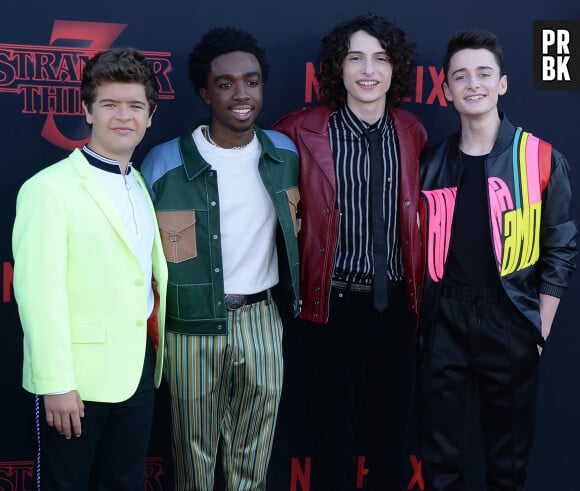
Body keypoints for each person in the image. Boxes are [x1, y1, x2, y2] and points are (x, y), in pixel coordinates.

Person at [140, 27, 300, 491]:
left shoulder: (285, 154)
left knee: (255, 449)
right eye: (226, 83)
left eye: (251, 81)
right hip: (189, 326)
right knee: (193, 451)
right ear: (205, 92)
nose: (241, 93)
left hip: (262, 318)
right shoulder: (164, 163)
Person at [419, 30, 577, 490]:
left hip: (510, 317)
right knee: (440, 467)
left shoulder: (541, 157)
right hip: (443, 317)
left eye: (484, 73)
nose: (474, 84)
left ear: (502, 83)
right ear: (446, 90)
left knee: (507, 468)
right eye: (461, 76)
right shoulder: (429, 163)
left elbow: (561, 248)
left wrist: (540, 327)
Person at [274, 14, 427, 491]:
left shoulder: (411, 132)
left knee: (391, 446)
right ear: (337, 68)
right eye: (355, 57)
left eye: (380, 59)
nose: (368, 70)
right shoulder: (301, 130)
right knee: (333, 445)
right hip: (329, 310)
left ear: (394, 69)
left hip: (399, 310)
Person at [12, 47, 167, 491]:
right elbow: (39, 296)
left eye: (136, 106)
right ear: (88, 111)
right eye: (110, 104)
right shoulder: (48, 189)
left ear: (150, 115)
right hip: (75, 384)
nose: (124, 116)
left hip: (137, 375)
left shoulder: (138, 182)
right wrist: (56, 383)